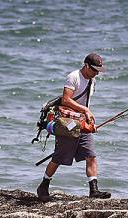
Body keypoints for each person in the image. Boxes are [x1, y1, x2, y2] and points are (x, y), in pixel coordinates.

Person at [36, 52, 111, 202]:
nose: (96, 73)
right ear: (86, 66)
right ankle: (43, 186)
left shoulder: (92, 81)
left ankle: (93, 190)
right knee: (58, 157)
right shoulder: (74, 77)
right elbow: (66, 99)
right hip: (67, 123)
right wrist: (85, 110)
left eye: (98, 71)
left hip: (81, 122)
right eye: (94, 70)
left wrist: (89, 122)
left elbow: (85, 104)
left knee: (91, 155)